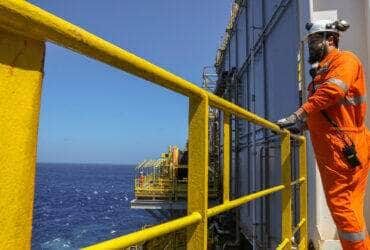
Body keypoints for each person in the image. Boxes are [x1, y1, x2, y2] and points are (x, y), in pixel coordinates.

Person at [277, 19, 370, 249]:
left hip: (342, 148)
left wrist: (300, 114)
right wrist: (305, 125)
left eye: (315, 40)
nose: (311, 45)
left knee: (343, 208)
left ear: (331, 39)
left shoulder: (344, 60)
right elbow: (329, 112)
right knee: (349, 208)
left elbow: (334, 92)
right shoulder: (323, 70)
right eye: (310, 40)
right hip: (340, 147)